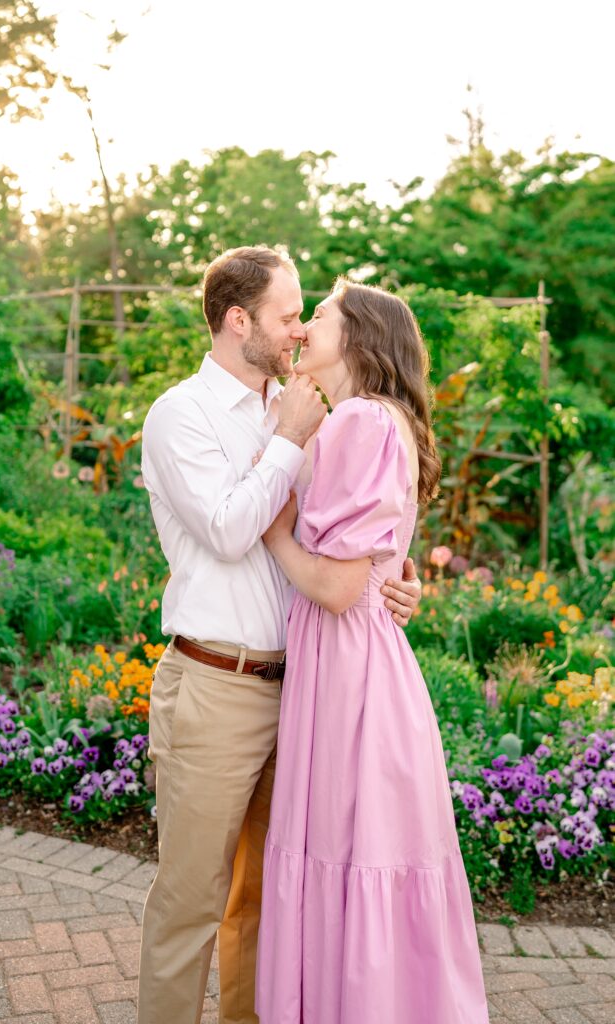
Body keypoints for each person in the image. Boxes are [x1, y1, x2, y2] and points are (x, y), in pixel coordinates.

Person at [137, 247, 422, 1024]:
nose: (299, 332)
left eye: (306, 316)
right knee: (190, 905)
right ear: (239, 321)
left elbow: (347, 533)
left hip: (304, 692)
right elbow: (233, 531)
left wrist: (395, 575)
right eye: (287, 316)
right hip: (216, 689)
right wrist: (289, 439)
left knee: (264, 905)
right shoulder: (181, 416)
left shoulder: (301, 409)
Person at [255, 279, 489, 1024]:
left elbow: (332, 585)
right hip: (367, 664)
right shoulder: (373, 419)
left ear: (355, 338)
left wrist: (275, 533)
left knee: (343, 845)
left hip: (346, 672)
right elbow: (374, 560)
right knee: (369, 847)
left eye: (318, 315)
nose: (304, 326)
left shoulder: (359, 419)